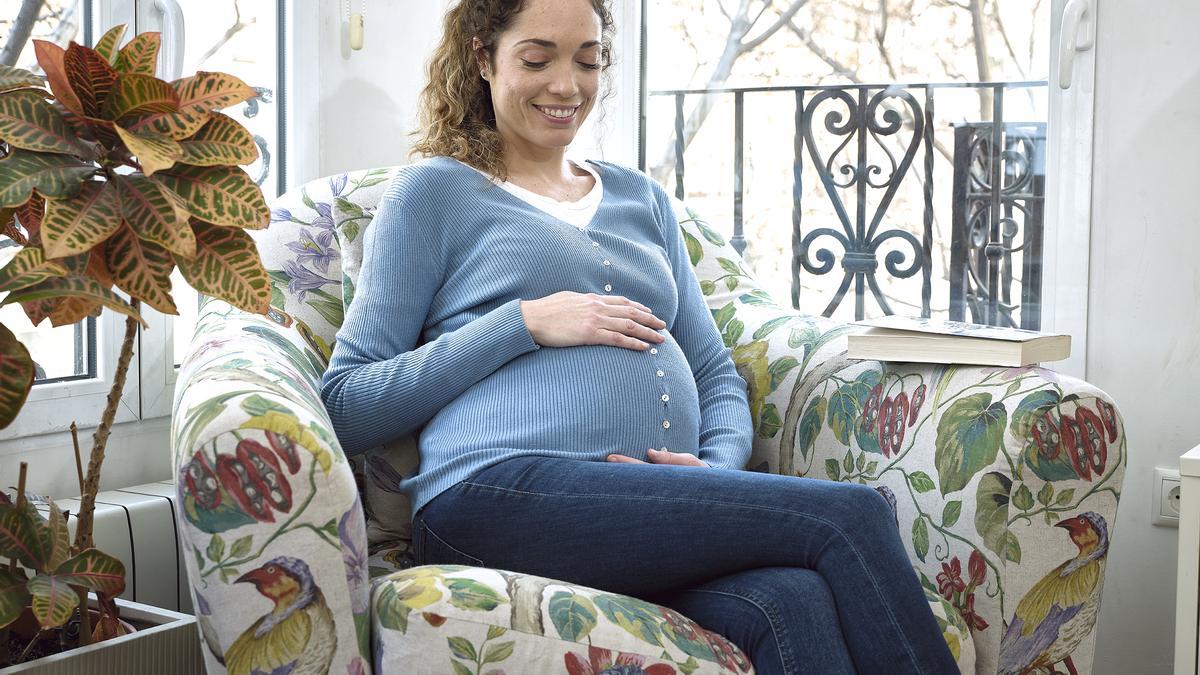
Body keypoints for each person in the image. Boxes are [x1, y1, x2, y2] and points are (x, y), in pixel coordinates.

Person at [320, 0, 959, 672]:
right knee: (848, 515)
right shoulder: (433, 194)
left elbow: (715, 375)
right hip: (494, 495)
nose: (566, 85)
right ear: (483, 57)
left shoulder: (641, 200)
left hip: (643, 516)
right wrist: (525, 323)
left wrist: (716, 468)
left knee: (790, 600)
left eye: (588, 60)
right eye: (538, 58)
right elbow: (348, 402)